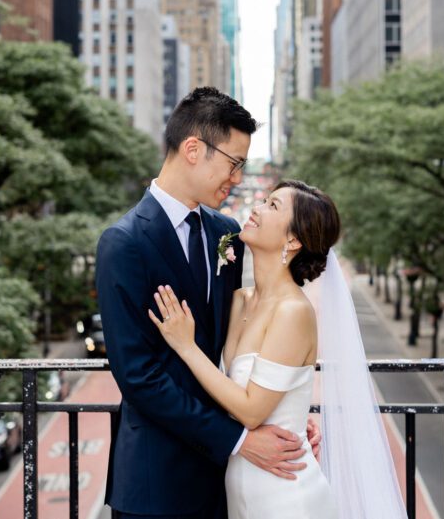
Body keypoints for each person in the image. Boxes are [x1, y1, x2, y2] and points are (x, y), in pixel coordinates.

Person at [96, 88, 320, 519]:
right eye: (235, 164)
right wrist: (239, 439)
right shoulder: (124, 244)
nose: (238, 179)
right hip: (156, 482)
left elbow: (235, 354)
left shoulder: (228, 233)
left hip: (226, 479)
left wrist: (282, 416)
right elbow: (139, 378)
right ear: (193, 149)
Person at [150, 180, 407, 518]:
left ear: (293, 240)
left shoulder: (293, 312)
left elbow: (252, 410)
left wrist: (186, 346)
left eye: (272, 206)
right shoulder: (240, 301)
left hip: (287, 494)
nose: (256, 208)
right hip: (240, 490)